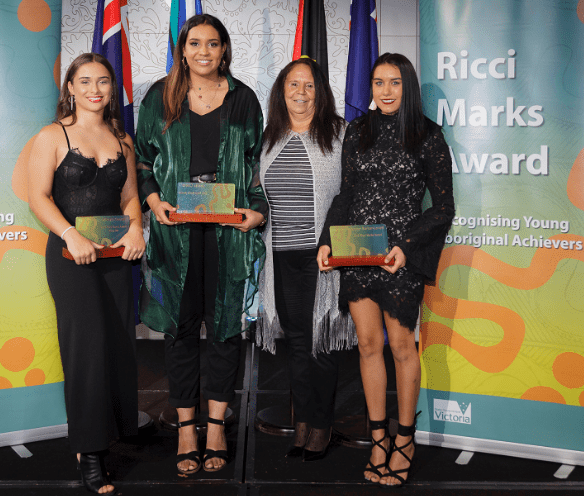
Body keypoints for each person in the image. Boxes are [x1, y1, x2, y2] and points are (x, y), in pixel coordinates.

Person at [134, 14, 266, 475]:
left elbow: (256, 166)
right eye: (195, 43)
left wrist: (258, 210)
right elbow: (144, 160)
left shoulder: (244, 98)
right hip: (176, 231)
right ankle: (186, 428)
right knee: (180, 328)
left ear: (225, 49)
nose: (204, 52)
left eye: (213, 43)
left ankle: (216, 426)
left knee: (226, 327)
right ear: (183, 49)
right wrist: (154, 203)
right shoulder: (160, 95)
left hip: (229, 231)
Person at [317, 53, 454, 486]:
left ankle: (406, 439)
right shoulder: (357, 131)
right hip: (357, 253)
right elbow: (345, 195)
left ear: (407, 86)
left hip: (400, 257)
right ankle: (379, 439)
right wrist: (327, 240)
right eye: (378, 82)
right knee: (368, 345)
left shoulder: (428, 135)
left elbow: (444, 207)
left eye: (395, 82)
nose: (386, 91)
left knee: (400, 347)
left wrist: (406, 247)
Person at [28, 53, 144, 495]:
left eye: (103, 81)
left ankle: (109, 435)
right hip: (70, 257)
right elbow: (39, 197)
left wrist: (136, 227)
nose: (95, 88)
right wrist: (68, 235)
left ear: (112, 90)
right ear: (70, 88)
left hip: (116, 257)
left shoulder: (122, 138)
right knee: (86, 349)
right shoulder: (51, 136)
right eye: (85, 80)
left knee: (116, 344)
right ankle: (89, 452)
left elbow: (130, 196)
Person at [256, 57, 350, 461]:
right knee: (296, 342)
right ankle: (303, 423)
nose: (300, 92)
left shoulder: (339, 133)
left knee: (320, 342)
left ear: (320, 92)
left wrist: (330, 241)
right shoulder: (270, 137)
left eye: (309, 85)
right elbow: (258, 192)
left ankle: (322, 425)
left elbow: (349, 195)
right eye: (293, 85)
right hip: (280, 256)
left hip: (322, 257)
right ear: (282, 91)